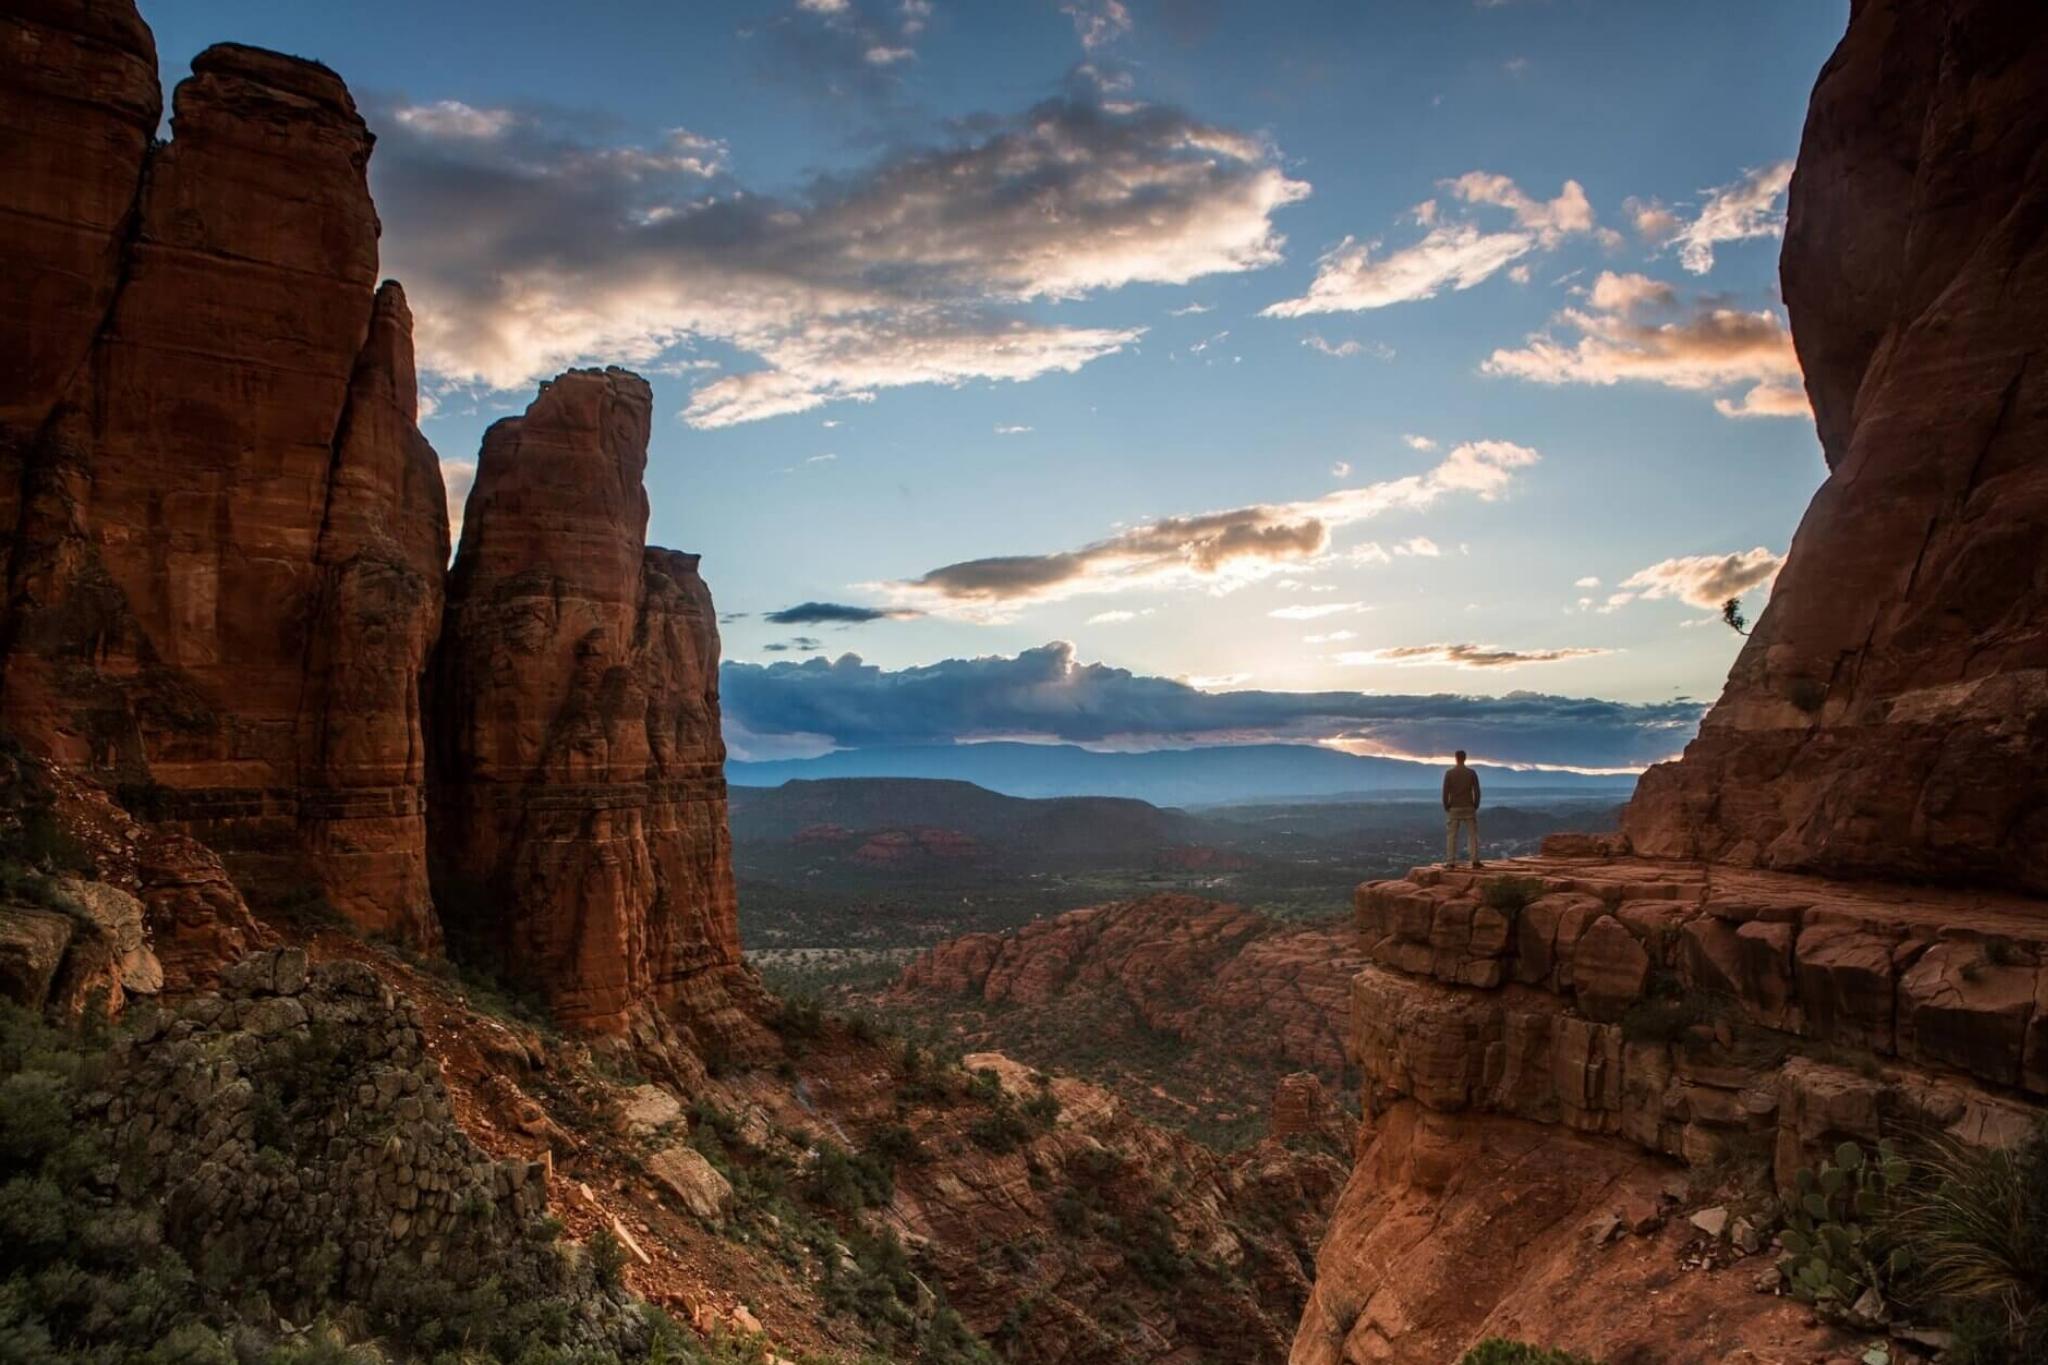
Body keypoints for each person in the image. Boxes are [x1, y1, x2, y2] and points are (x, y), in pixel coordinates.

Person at [1442, 750, 1481, 869]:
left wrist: (1446, 805)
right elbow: (1477, 791)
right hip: (1469, 807)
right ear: (1465, 758)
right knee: (1472, 835)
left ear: (1456, 758)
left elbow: (1445, 792)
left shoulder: (1449, 773)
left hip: (1454, 808)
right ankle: (1475, 860)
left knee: (1452, 836)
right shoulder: (1471, 773)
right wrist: (1475, 804)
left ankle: (1450, 862)